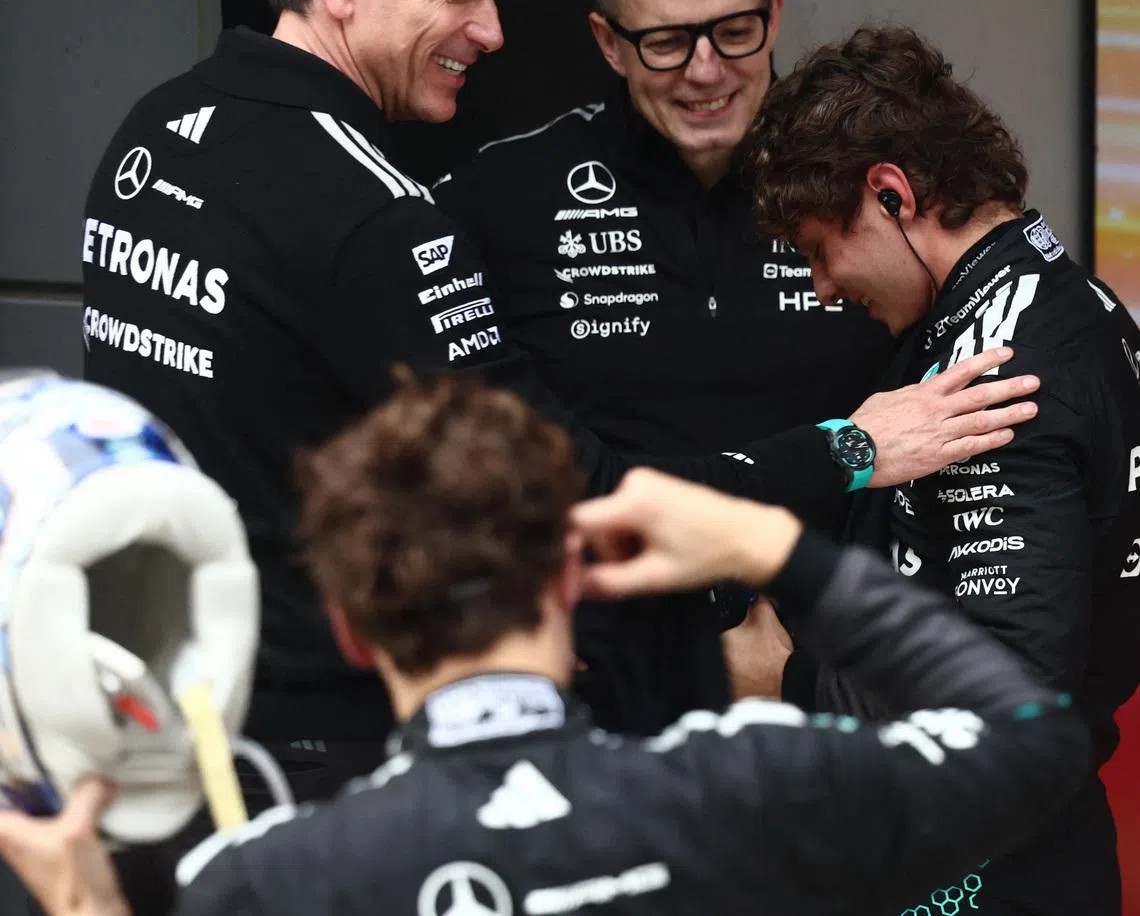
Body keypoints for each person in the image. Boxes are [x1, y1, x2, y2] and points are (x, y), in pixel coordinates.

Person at [81, 0, 1035, 798]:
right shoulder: (379, 214)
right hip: (314, 754)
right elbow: (573, 499)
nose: (490, 30)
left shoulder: (151, 131)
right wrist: (854, 447)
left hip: (155, 714)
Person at [0, 375, 1089, 916]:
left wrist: (87, 906)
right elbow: (1037, 732)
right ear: (571, 577)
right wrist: (770, 546)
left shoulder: (263, 885)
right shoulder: (754, 779)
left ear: (345, 623)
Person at [433, 0, 894, 730]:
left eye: (734, 30)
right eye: (668, 42)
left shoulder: (875, 186)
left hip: (830, 698)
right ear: (609, 42)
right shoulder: (506, 197)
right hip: (599, 703)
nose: (707, 70)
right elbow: (426, 432)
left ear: (775, 12)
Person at [743, 23, 1140, 915]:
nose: (822, 290)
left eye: (818, 250)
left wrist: (788, 679)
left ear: (890, 194)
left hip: (996, 866)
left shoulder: (996, 367)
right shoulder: (1069, 296)